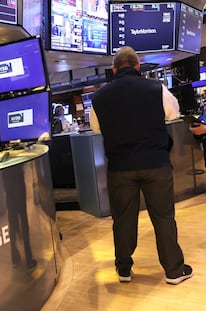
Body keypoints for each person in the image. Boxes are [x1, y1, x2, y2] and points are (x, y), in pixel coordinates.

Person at [90, 46, 193, 285]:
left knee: (123, 219)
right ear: (138, 66)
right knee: (163, 217)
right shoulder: (157, 89)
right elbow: (173, 113)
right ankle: (174, 271)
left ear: (114, 69)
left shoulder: (99, 97)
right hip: (155, 164)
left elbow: (96, 128)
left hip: (120, 168)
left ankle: (124, 270)